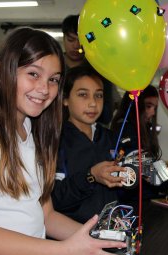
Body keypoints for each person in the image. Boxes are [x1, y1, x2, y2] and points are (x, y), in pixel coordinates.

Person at [0, 27, 125, 255]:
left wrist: (97, 241)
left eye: (53, 80)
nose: (44, 89)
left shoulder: (33, 131)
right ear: (1, 70)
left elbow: (46, 215)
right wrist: (66, 250)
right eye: (33, 74)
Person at [51, 65, 125, 224]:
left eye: (98, 95)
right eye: (83, 95)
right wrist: (90, 176)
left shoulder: (110, 138)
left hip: (111, 230)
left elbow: (122, 192)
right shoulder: (55, 141)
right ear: (65, 99)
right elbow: (55, 199)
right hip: (72, 236)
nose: (93, 103)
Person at [110, 85, 166, 205]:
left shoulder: (142, 127)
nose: (152, 112)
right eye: (148, 106)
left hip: (144, 197)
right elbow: (147, 167)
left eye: (154, 107)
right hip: (131, 200)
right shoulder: (125, 129)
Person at [61, 14, 120, 126]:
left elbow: (107, 113)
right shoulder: (55, 67)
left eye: (81, 40)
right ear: (63, 38)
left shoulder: (98, 70)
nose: (76, 45)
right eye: (70, 40)